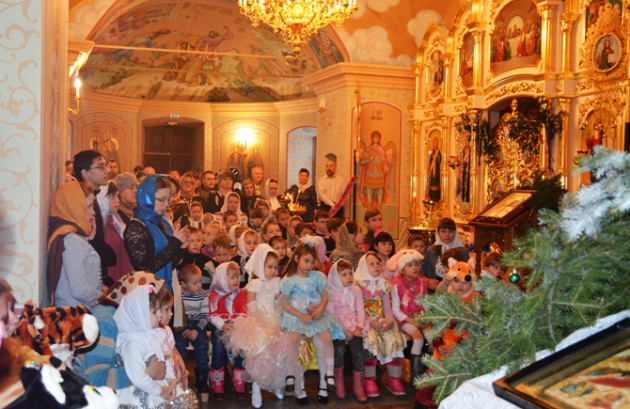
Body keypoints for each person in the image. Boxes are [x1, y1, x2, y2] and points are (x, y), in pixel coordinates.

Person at [280, 238, 345, 405]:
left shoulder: (318, 277)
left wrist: (321, 309)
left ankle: (328, 375)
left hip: (315, 315)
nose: (310, 265)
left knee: (326, 339)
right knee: (294, 339)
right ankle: (290, 375)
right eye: (306, 261)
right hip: (297, 316)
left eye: (312, 261)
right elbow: (285, 304)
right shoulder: (289, 280)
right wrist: (300, 315)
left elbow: (325, 295)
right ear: (296, 258)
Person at [225, 244, 290, 408]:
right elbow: (251, 306)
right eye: (269, 267)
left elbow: (279, 303)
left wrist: (280, 320)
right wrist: (262, 324)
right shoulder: (254, 283)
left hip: (274, 319)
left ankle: (276, 384)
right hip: (257, 322)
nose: (273, 271)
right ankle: (256, 388)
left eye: (275, 267)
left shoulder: (277, 283)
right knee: (259, 355)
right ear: (260, 265)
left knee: (278, 354)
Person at [114, 285, 184, 407]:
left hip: (160, 386)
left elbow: (166, 357)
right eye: (154, 311)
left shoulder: (156, 334)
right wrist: (160, 391)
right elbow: (138, 378)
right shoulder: (133, 343)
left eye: (159, 310)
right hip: (141, 394)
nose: (160, 315)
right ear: (139, 315)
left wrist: (171, 380)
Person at [124, 174, 189, 292]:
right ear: (147, 197)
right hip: (146, 293)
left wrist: (181, 248)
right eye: (161, 199)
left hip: (164, 290)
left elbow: (167, 265)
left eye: (168, 199)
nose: (166, 204)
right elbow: (144, 270)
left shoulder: (159, 223)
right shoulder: (135, 228)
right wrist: (174, 243)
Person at [354, 252, 407, 397]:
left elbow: (387, 308)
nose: (376, 266)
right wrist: (370, 322)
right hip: (365, 321)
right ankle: (369, 380)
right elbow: (357, 309)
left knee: (393, 338)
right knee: (370, 341)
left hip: (382, 319)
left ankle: (394, 379)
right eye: (371, 264)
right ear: (363, 266)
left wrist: (389, 322)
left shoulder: (384, 284)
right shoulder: (357, 284)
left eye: (378, 263)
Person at [47, 180, 105, 308]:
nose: (93, 212)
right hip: (77, 314)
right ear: (74, 208)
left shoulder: (74, 237)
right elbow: (80, 291)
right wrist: (102, 296)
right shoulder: (71, 241)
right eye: (88, 207)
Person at [325, 260, 367, 403]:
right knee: (339, 350)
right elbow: (331, 315)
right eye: (344, 274)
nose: (349, 277)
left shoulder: (356, 290)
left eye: (350, 273)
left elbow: (361, 311)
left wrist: (359, 327)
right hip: (338, 328)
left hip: (354, 326)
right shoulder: (331, 292)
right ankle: (339, 384)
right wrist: (344, 331)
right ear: (336, 277)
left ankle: (358, 387)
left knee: (359, 353)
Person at [74, 150, 117, 285]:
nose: (107, 170)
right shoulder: (81, 202)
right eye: (100, 167)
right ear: (84, 172)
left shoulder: (94, 198)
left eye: (106, 166)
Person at [208, 262, 248, 400]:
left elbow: (243, 311)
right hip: (220, 326)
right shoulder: (214, 294)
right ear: (222, 279)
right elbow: (213, 315)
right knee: (219, 346)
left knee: (242, 345)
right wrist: (223, 325)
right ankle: (217, 380)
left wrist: (235, 324)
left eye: (237, 277)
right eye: (232, 277)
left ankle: (239, 379)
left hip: (237, 325)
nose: (236, 280)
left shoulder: (240, 293)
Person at [388, 250, 429, 381]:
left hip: (420, 317)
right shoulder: (396, 284)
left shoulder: (422, 282)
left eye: (416, 264)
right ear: (402, 269)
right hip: (404, 319)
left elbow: (425, 303)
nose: (414, 268)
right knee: (418, 338)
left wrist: (427, 318)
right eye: (410, 265)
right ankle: (415, 374)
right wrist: (412, 321)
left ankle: (431, 368)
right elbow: (395, 310)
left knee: (432, 335)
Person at [173, 264, 211, 401]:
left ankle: (201, 379)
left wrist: (196, 330)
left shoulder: (203, 295)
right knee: (179, 347)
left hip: (197, 325)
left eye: (200, 281)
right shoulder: (178, 294)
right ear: (183, 284)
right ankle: (182, 377)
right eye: (195, 283)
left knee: (202, 347)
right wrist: (183, 329)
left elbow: (205, 316)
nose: (199, 285)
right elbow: (176, 314)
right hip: (182, 324)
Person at [96, 181, 133, 283]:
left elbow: (124, 257)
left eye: (117, 196)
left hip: (118, 281)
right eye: (112, 196)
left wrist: (126, 281)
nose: (117, 200)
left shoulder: (117, 223)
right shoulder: (95, 225)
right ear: (101, 198)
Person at [422, 217, 469, 293]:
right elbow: (423, 273)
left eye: (451, 231)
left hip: (457, 291)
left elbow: (468, 273)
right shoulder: (431, 251)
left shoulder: (463, 252)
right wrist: (427, 281)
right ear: (438, 232)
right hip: (434, 291)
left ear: (455, 233)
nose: (447, 235)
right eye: (443, 231)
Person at [427, 138, 442, 202]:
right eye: (434, 142)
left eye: (436, 142)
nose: (435, 144)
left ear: (437, 143)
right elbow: (430, 160)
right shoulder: (432, 151)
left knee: (436, 182)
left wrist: (437, 158)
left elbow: (440, 159)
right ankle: (432, 196)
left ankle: (436, 197)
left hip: (437, 170)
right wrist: (432, 158)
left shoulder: (438, 151)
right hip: (432, 169)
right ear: (433, 143)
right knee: (432, 182)